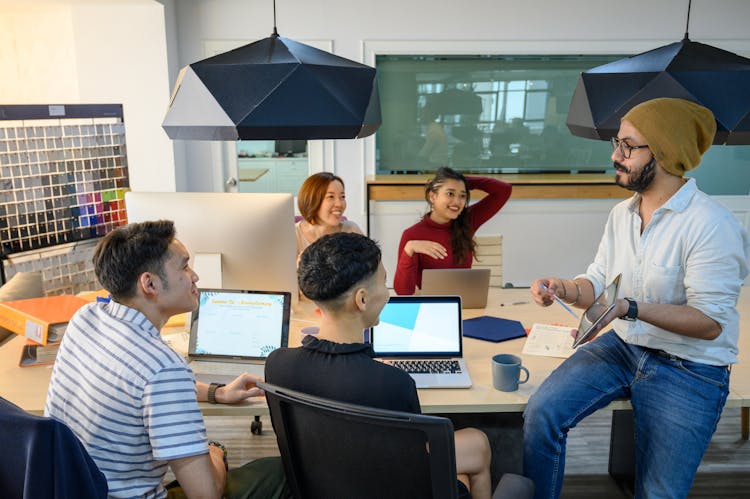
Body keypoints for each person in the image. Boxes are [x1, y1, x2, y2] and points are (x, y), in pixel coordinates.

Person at [523, 98, 750, 498]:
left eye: (628, 146)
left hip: (689, 367)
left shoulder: (711, 225)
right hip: (625, 347)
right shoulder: (621, 214)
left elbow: (710, 323)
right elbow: (598, 281)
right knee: (541, 415)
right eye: (617, 143)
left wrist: (631, 308)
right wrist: (565, 288)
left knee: (658, 492)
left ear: (663, 152)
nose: (616, 155)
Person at [44, 221, 289, 499]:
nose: (195, 276)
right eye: (184, 266)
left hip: (72, 488)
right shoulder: (163, 366)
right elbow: (206, 493)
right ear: (149, 283)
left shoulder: (85, 318)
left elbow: (137, 384)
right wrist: (215, 453)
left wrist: (216, 392)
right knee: (281, 472)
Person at [266, 232, 493, 499]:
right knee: (472, 456)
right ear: (362, 300)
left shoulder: (277, 364)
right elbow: (414, 456)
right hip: (391, 486)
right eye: (385, 282)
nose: (388, 293)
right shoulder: (394, 383)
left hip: (323, 483)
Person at [394, 166, 512, 295]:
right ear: (432, 196)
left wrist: (463, 182)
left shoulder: (468, 220)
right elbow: (403, 291)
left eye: (462, 195)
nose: (457, 201)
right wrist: (409, 249)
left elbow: (504, 190)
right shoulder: (411, 235)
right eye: (450, 193)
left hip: (465, 304)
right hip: (431, 306)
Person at [295, 172, 362, 258]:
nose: (339, 204)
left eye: (342, 197)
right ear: (312, 200)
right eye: (331, 197)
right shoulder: (293, 235)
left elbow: (377, 269)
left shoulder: (351, 230)